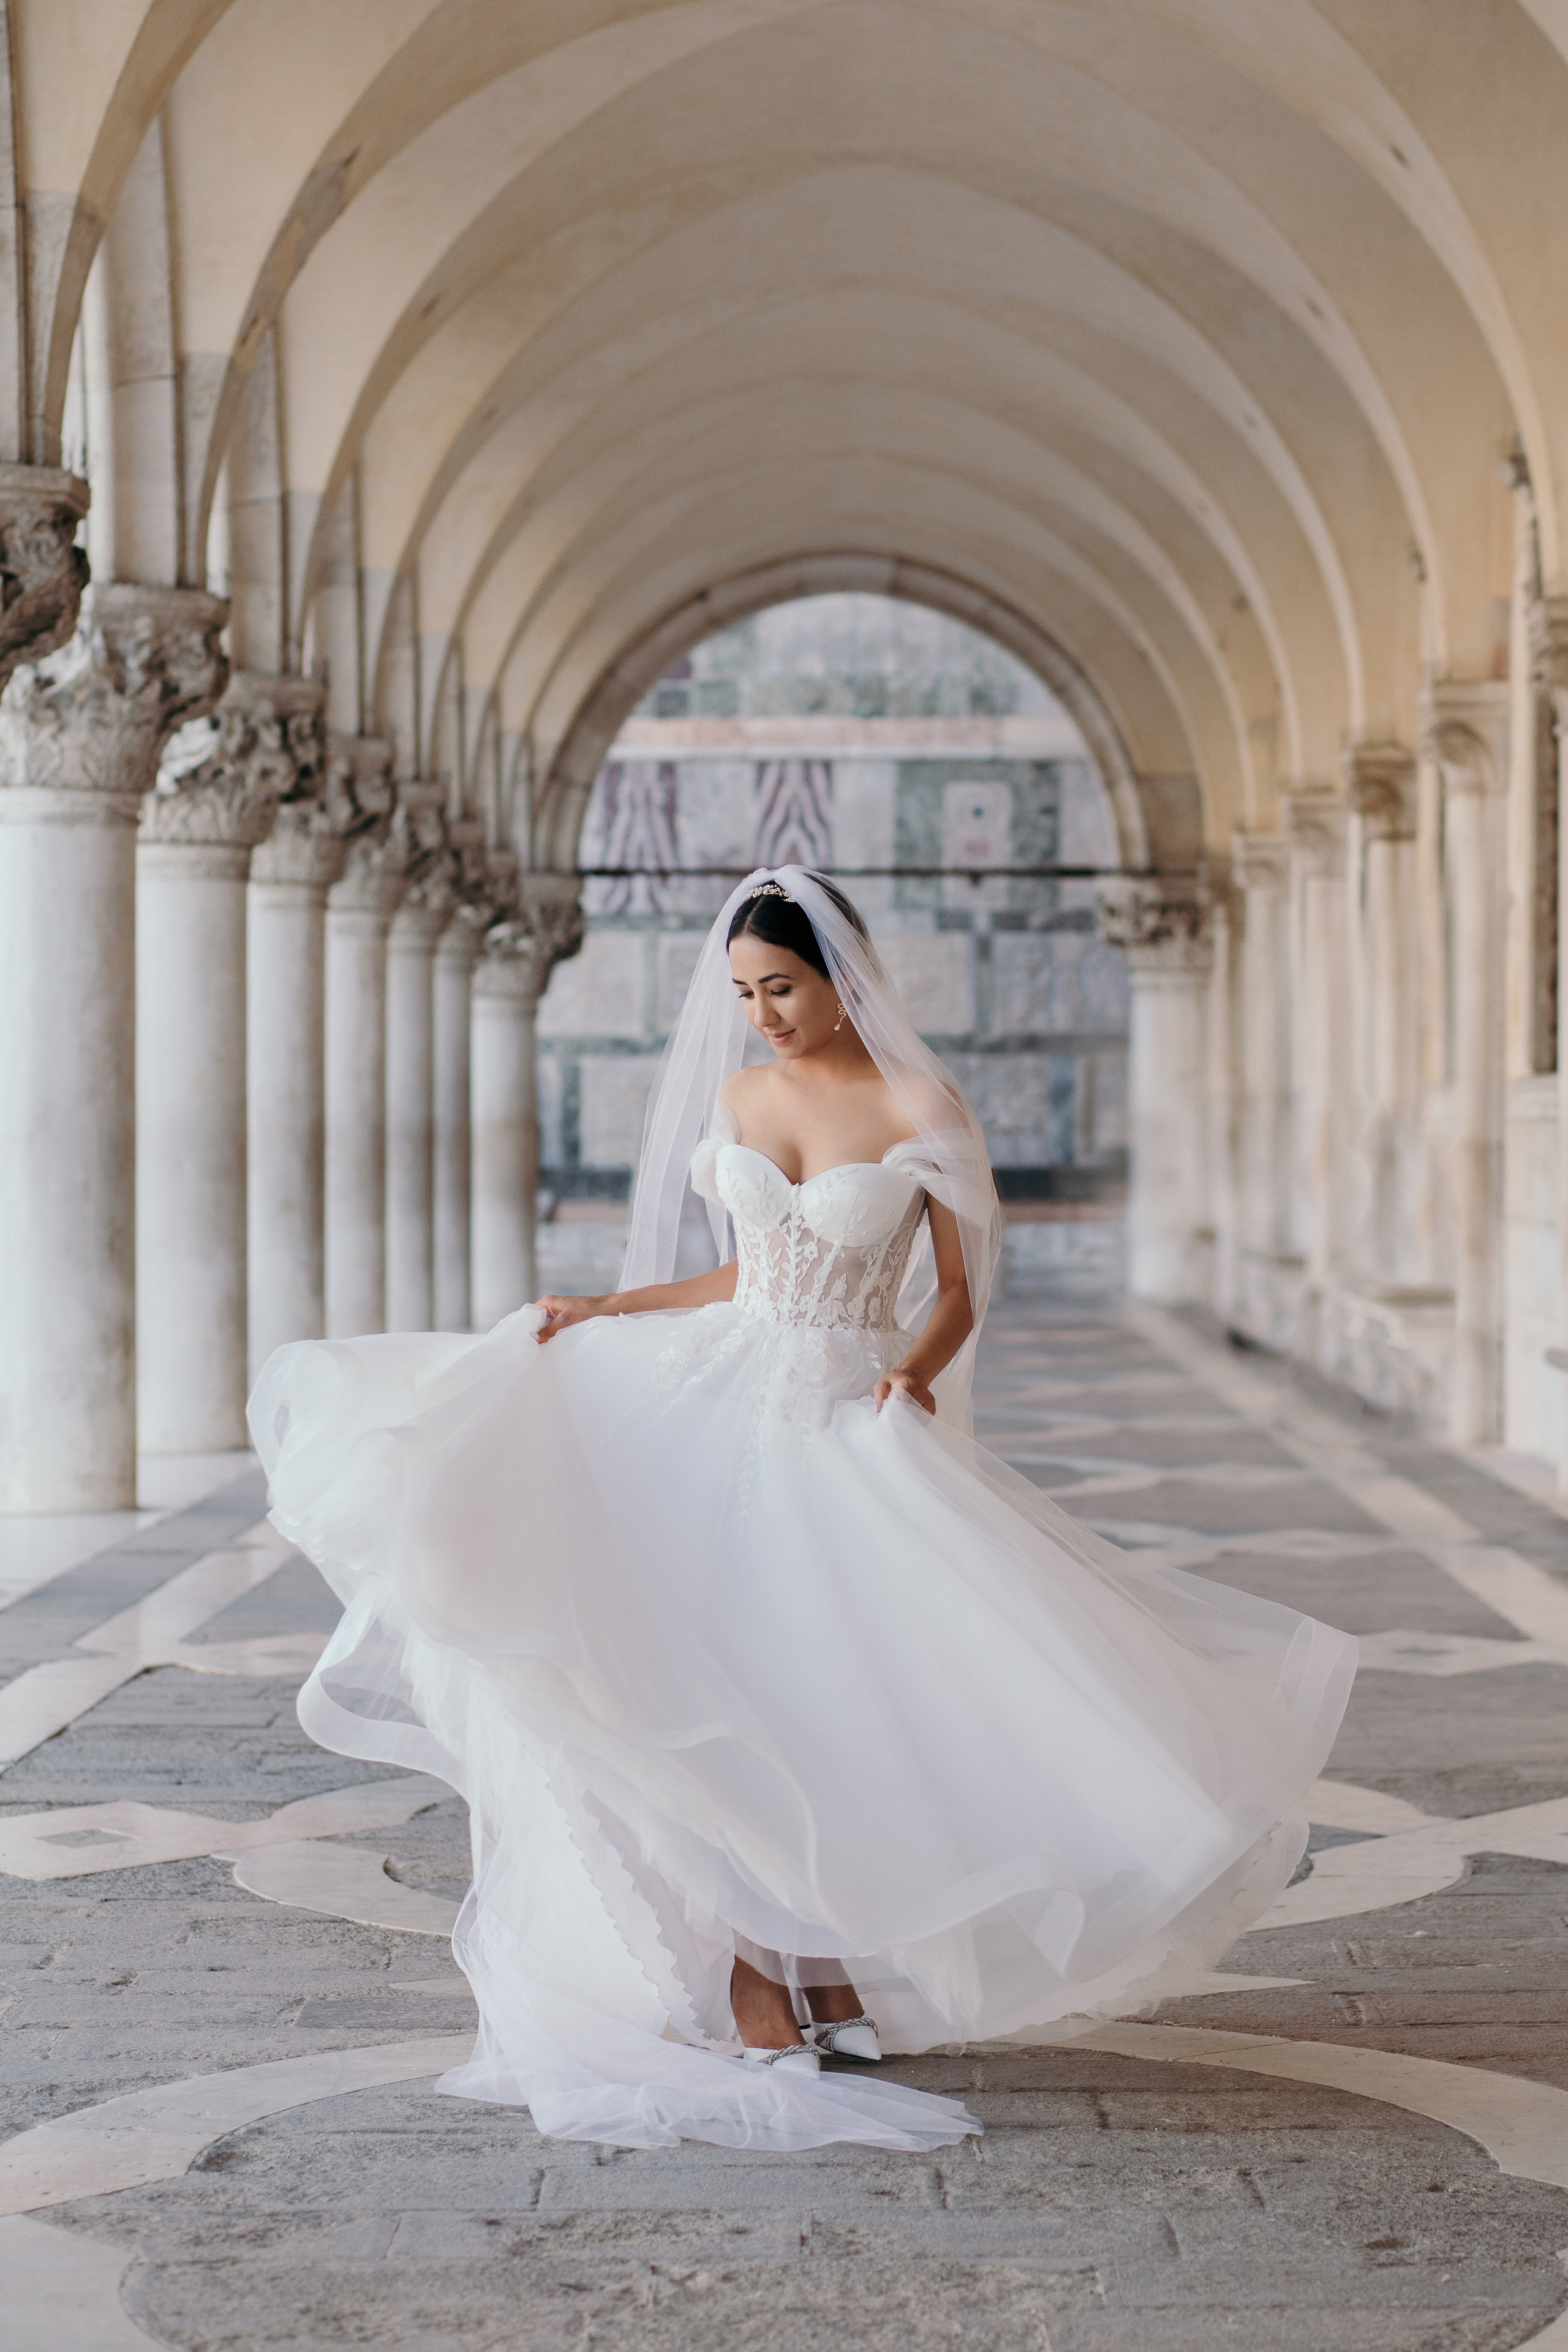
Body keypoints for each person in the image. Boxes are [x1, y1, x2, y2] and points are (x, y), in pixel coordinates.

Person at [251, 865, 1355, 2155]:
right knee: (675, 1675)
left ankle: (811, 1967)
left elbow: (957, 1283)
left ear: (841, 977)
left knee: (806, 1695)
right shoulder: (738, 1095)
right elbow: (740, 1270)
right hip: (705, 1399)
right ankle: (760, 1971)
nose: (761, 1016)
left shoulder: (915, 1102)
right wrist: (610, 1310)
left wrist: (912, 1371)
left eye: (779, 988)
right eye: (742, 994)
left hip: (838, 1414)